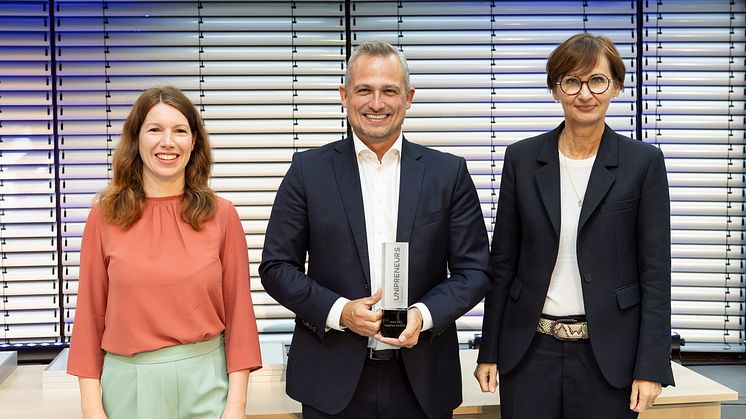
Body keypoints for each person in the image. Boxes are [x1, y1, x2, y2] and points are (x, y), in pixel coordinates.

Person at [259, 40, 490, 419]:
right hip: (331, 380)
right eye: (364, 90)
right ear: (344, 95)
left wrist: (423, 315)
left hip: (423, 380)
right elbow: (276, 268)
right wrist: (339, 311)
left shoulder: (448, 173)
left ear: (409, 97)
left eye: (389, 91)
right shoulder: (307, 171)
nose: (376, 103)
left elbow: (475, 271)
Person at [474, 33, 675, 418]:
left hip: (609, 356)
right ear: (555, 90)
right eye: (571, 81)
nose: (585, 93)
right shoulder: (522, 158)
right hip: (530, 352)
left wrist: (651, 366)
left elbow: (655, 273)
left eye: (597, 80)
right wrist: (490, 350)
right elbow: (503, 263)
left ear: (616, 86)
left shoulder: (643, 163)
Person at [67, 86, 262, 419]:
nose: (167, 142)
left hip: (207, 385)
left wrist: (236, 407)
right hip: (128, 387)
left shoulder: (223, 215)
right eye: (155, 129)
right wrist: (91, 408)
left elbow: (240, 316)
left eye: (180, 131)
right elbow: (89, 316)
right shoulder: (104, 217)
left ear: (194, 142)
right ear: (136, 139)